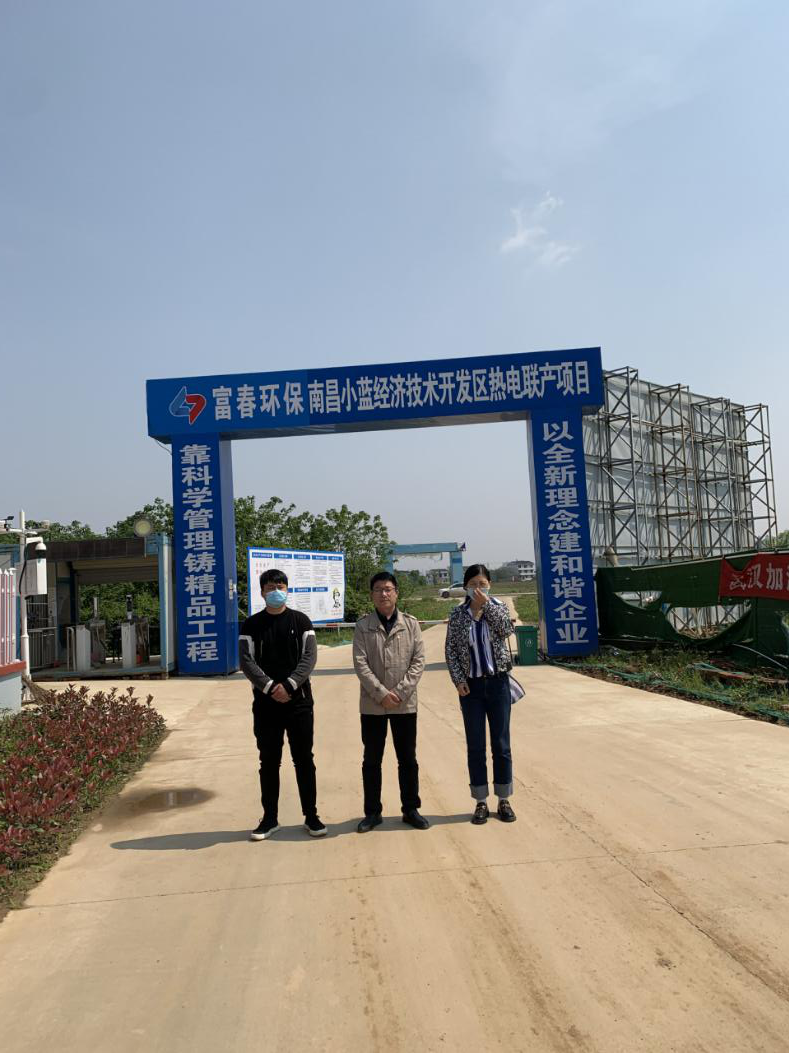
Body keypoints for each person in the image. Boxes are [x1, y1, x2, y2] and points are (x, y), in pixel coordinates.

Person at [239, 568, 326, 841]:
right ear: (261, 592)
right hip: (266, 705)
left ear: (287, 589)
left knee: (304, 760)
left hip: (299, 703)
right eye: (270, 587)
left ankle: (311, 816)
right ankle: (269, 818)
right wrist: (269, 687)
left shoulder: (301, 621)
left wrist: (288, 685)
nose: (275, 591)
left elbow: (309, 657)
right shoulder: (252, 625)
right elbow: (246, 661)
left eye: (280, 586)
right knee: (268, 761)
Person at [352, 572, 428, 832]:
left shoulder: (411, 624)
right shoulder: (363, 626)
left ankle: (411, 809)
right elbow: (360, 663)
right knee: (371, 760)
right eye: (378, 589)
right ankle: (372, 812)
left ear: (396, 592)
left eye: (388, 589)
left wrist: (400, 692)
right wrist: (381, 693)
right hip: (372, 706)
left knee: (407, 759)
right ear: (371, 595)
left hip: (404, 705)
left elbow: (418, 661)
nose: (383, 594)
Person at [445, 563, 517, 825]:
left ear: (489, 585)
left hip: (498, 684)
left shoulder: (498, 607)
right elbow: (451, 650)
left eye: (482, 584)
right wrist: (458, 680)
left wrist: (486, 607)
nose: (478, 588)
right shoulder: (458, 614)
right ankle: (481, 801)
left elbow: (506, 630)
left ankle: (504, 799)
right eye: (473, 584)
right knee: (476, 746)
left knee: (501, 744)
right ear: (465, 586)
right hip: (471, 688)